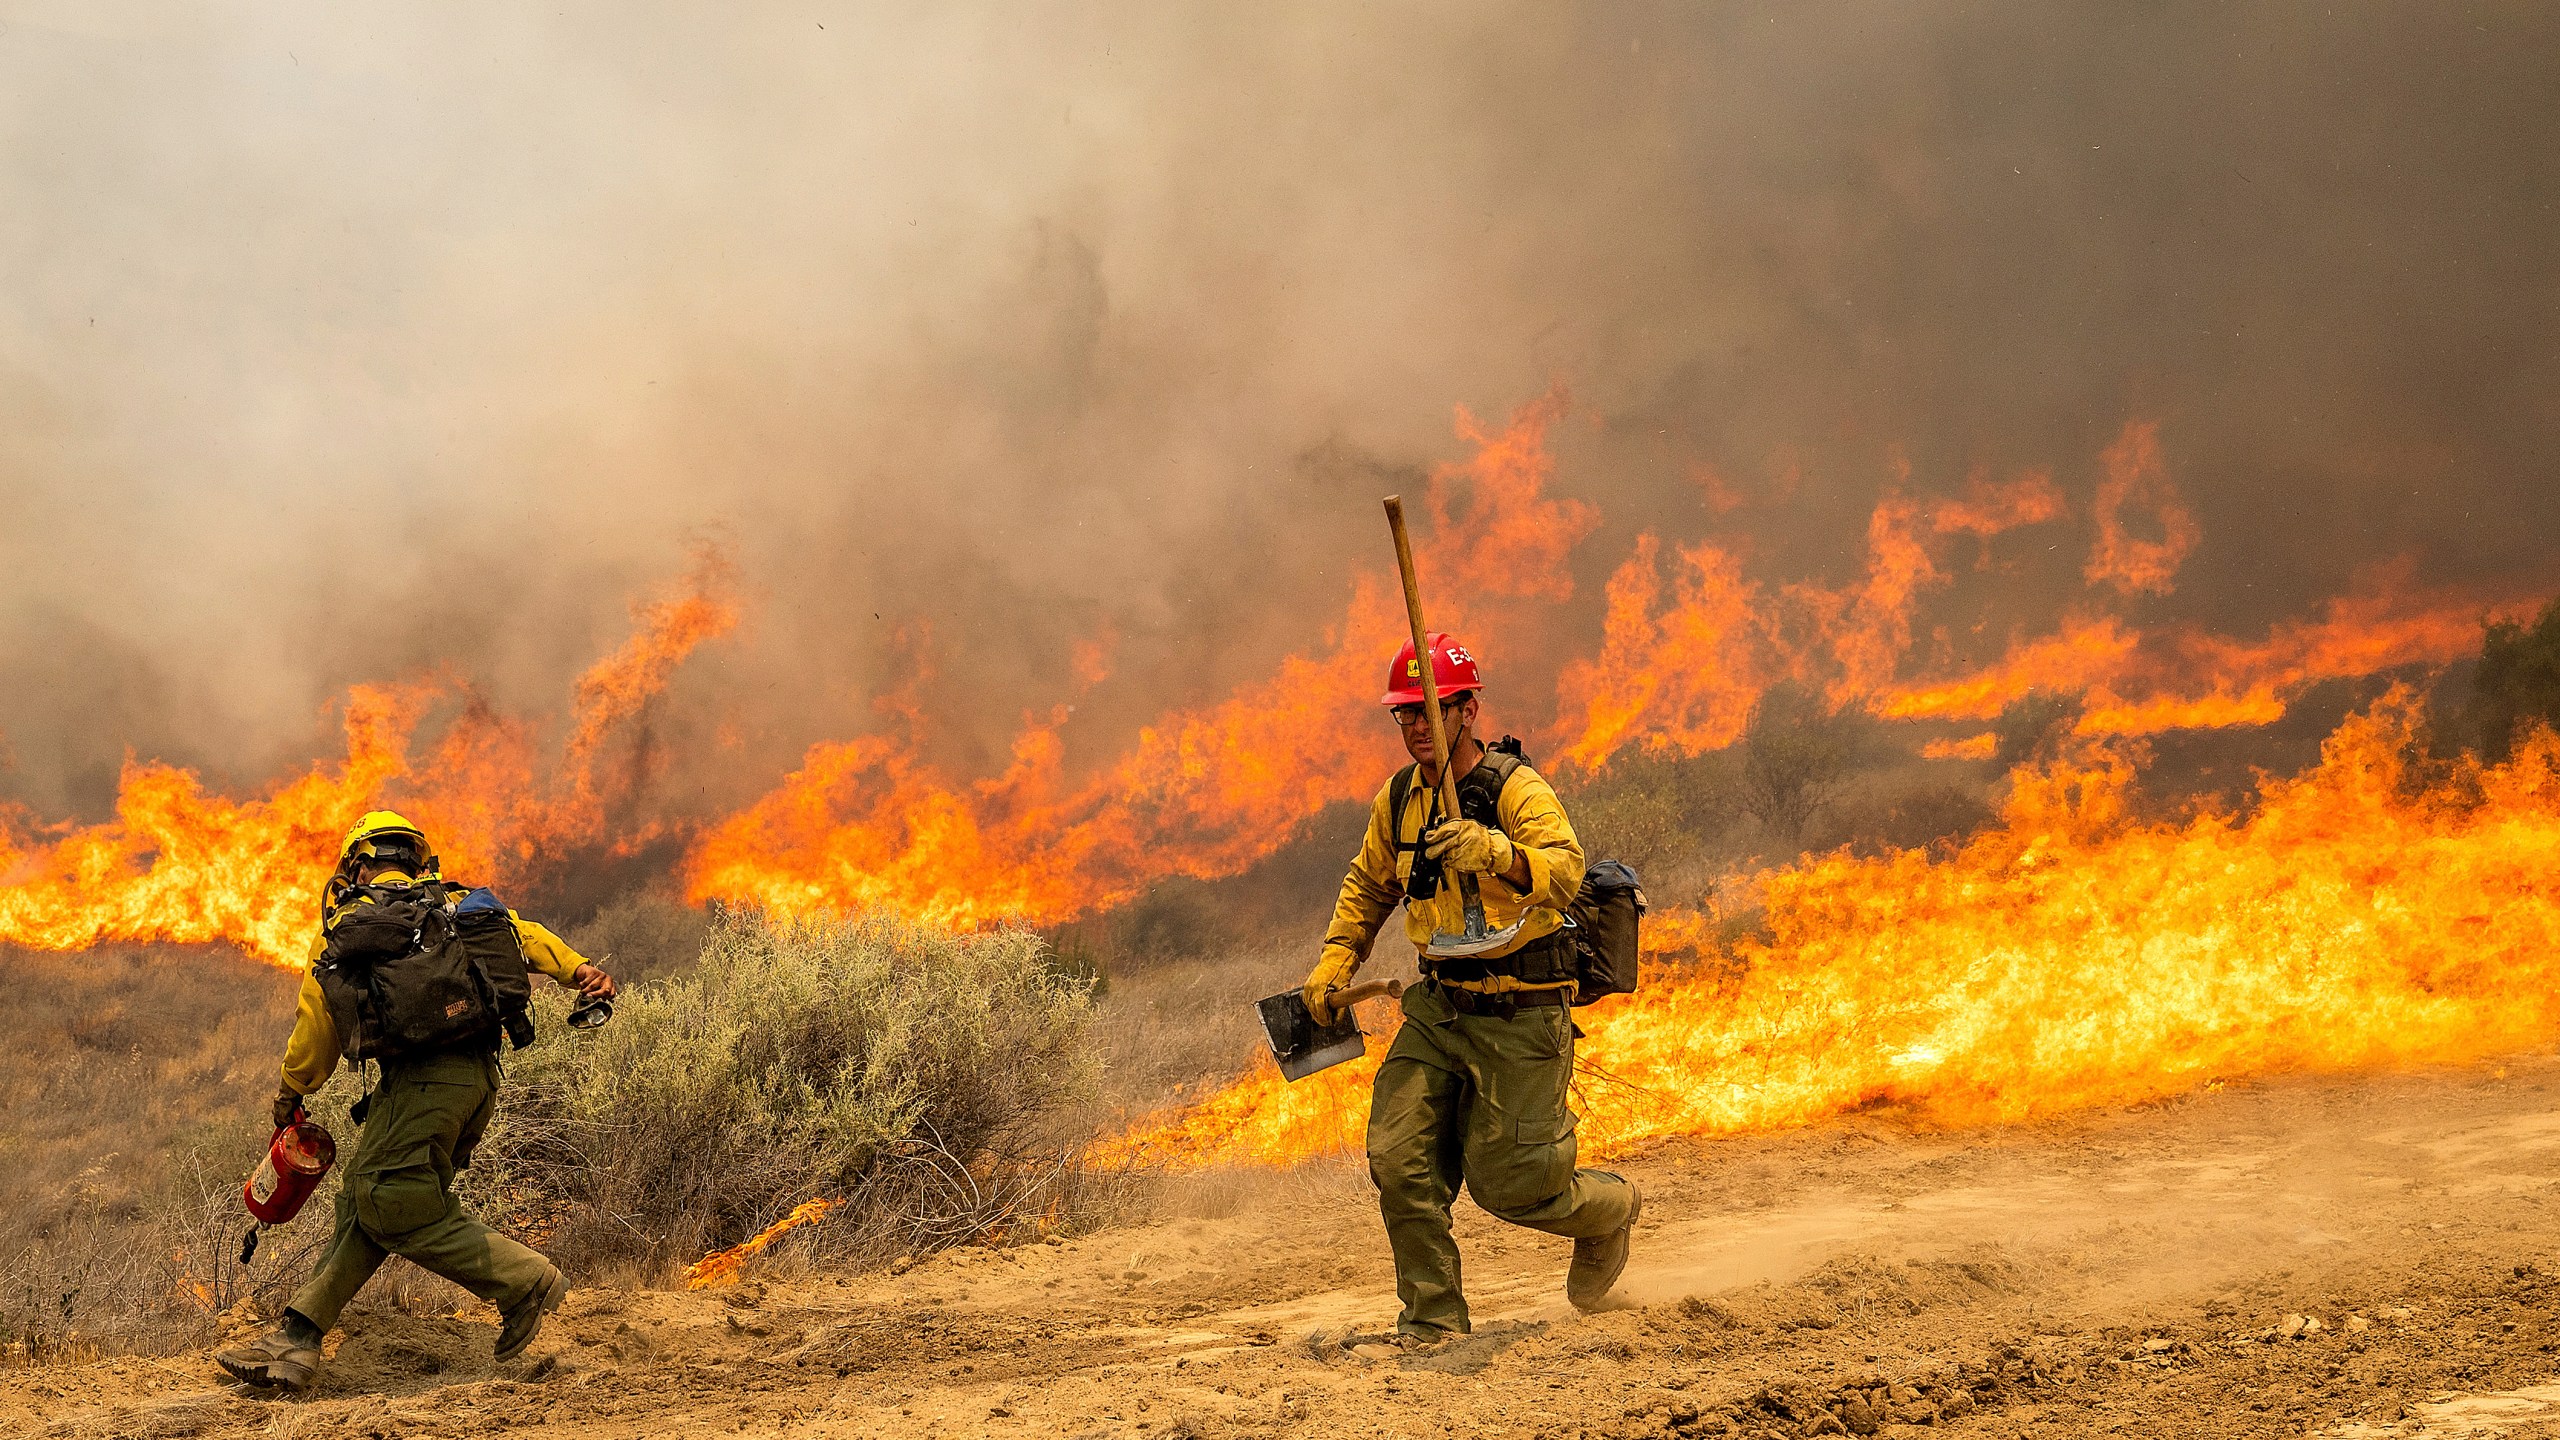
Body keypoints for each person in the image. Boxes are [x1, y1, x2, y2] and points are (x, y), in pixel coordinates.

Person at [1302, 634, 1639, 1345]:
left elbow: (1566, 870)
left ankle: (1609, 1210)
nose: (1418, 725)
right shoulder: (1398, 801)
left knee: (1514, 1185)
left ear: (1468, 709)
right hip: (1439, 1006)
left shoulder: (1513, 788)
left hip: (1521, 1006)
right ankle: (1433, 1325)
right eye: (1406, 714)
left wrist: (1499, 854)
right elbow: (1369, 885)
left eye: (1433, 709)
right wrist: (1337, 958)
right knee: (1400, 1163)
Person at [216, 812, 617, 1390]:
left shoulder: (353, 924)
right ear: (417, 860)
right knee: (363, 1197)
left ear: (356, 864)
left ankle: (523, 1280)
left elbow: (317, 1021)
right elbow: (524, 936)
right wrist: (578, 969)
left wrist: (293, 1091)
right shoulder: (455, 907)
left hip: (421, 1086)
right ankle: (298, 1338)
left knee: (392, 1199)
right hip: (477, 1083)